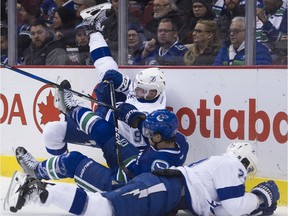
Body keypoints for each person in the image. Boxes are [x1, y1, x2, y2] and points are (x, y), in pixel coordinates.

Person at [7, 142, 280, 215]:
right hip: (164, 190)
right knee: (105, 208)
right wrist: (260, 196)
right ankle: (40, 189)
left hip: (166, 197)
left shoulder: (217, 173)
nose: (245, 178)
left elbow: (225, 211)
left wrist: (257, 207)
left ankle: (41, 191)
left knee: (104, 207)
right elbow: (234, 207)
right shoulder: (230, 165)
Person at [14, 80, 189, 193]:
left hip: (124, 187)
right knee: (104, 130)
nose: (146, 134)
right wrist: (134, 117)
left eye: (150, 134)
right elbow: (145, 126)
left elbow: (139, 188)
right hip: (132, 164)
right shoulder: (178, 141)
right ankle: (71, 109)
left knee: (73, 161)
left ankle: (36, 171)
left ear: (159, 137)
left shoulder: (155, 164)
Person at [42, 8, 167, 155]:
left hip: (119, 145)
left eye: (140, 89)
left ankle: (73, 109)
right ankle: (94, 31)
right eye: (138, 87)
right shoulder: (149, 93)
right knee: (52, 131)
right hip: (107, 127)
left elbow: (116, 121)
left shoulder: (150, 115)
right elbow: (129, 87)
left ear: (151, 92)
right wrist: (116, 79)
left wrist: (105, 107)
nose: (135, 89)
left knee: (107, 92)